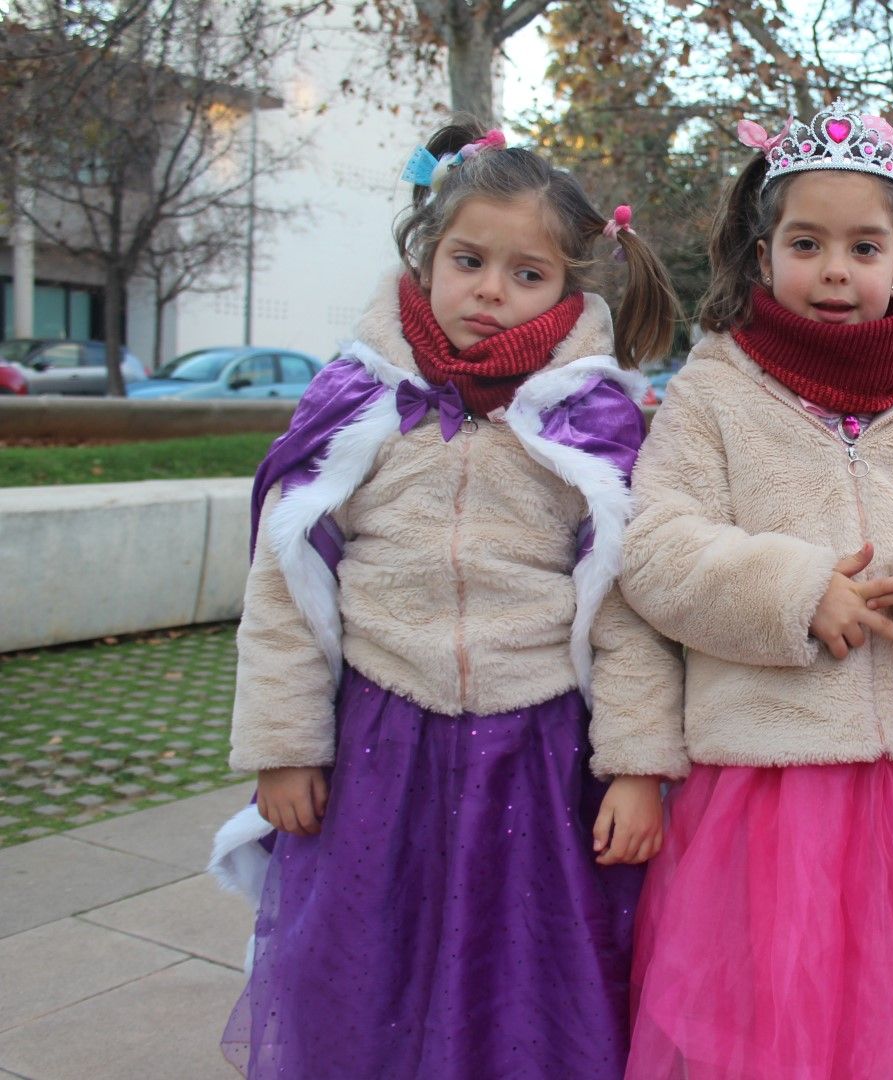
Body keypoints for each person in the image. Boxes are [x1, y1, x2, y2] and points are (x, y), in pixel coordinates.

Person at [209, 118, 685, 1079]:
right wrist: (284, 745)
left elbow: (632, 607)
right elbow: (286, 587)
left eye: (528, 273)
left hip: (539, 756)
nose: (492, 292)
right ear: (426, 257)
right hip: (379, 742)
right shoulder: (358, 402)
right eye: (469, 260)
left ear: (570, 286)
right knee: (365, 968)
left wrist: (637, 765)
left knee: (525, 979)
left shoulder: (594, 422)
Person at [617, 101, 893, 1079]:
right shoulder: (716, 393)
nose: (836, 271)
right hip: (760, 786)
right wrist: (798, 590)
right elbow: (657, 548)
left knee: (871, 1011)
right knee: (751, 1017)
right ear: (762, 256)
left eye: (863, 246)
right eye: (807, 243)